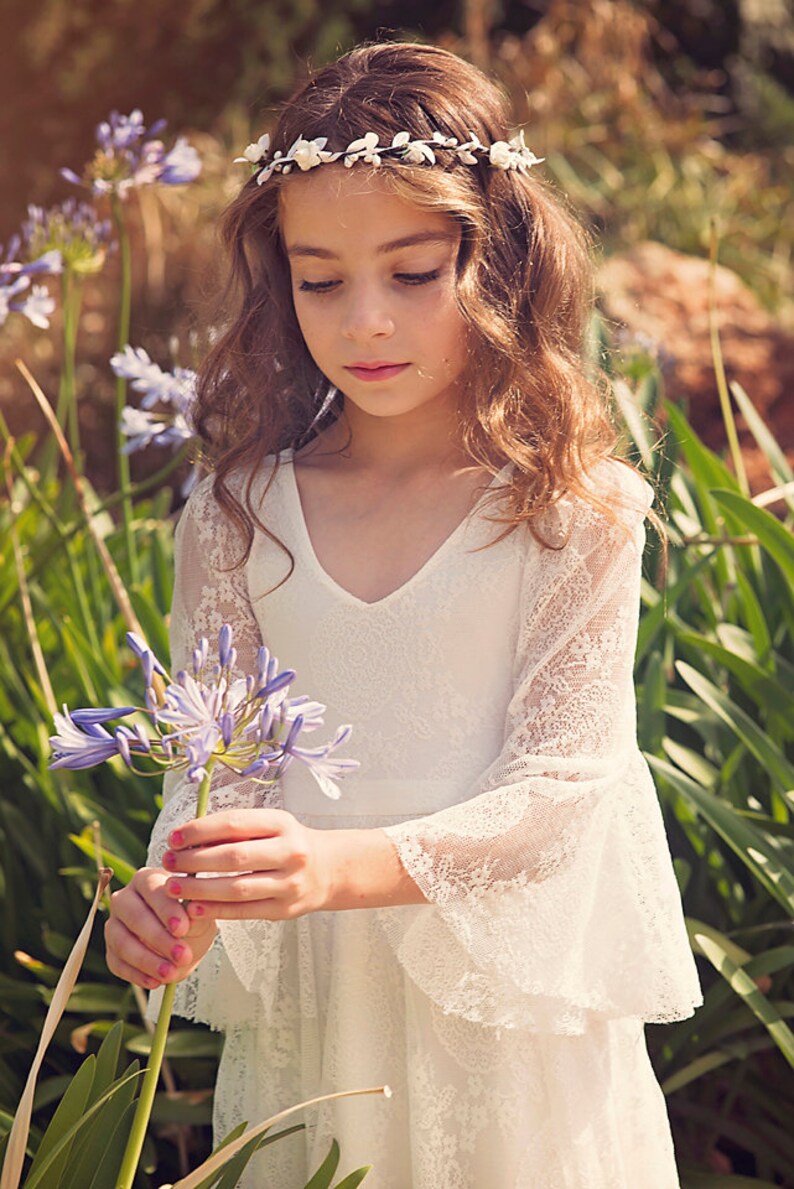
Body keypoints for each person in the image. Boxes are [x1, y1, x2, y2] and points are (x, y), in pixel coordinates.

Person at [104, 41, 703, 1188]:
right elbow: (219, 770)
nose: (365, 320)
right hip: (322, 1033)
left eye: (414, 272)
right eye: (319, 278)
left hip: (511, 1042)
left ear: (502, 259)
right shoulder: (238, 515)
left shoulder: (572, 510)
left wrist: (337, 865)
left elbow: (564, 792)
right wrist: (179, 897)